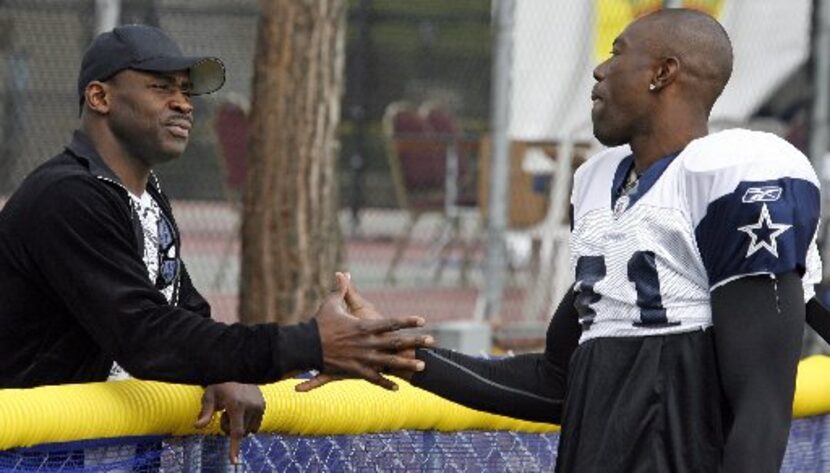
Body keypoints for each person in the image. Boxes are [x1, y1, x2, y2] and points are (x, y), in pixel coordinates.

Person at [302, 9, 830, 472]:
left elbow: (761, 400)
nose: (599, 70)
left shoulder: (735, 176)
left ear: (663, 73)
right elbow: (557, 383)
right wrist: (389, 351)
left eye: (618, 53)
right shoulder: (602, 187)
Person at [0, 24, 432, 464]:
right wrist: (310, 343)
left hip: (97, 453)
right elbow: (147, 337)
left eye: (187, 92)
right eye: (159, 87)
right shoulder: (68, 196)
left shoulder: (145, 196)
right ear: (100, 98)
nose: (183, 103)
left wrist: (222, 370)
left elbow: (184, 313)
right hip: (26, 456)